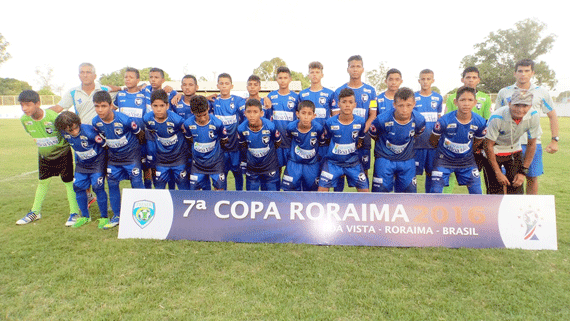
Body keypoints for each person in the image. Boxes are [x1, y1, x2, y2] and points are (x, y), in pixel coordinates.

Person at [495, 59, 559, 195]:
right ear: (515, 73)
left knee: (531, 177)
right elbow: (497, 117)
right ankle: (507, 211)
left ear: (532, 73)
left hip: (532, 143)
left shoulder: (541, 92)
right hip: (508, 144)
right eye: (520, 71)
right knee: (507, 179)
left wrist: (555, 139)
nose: (523, 74)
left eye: (526, 71)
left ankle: (531, 210)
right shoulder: (504, 92)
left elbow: (552, 115)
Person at [16, 90, 80, 226]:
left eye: (28, 104)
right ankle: (35, 212)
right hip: (44, 156)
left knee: (68, 183)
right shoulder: (24, 119)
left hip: (63, 154)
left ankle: (74, 213)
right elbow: (32, 134)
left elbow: (66, 135)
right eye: (22, 105)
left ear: (38, 103)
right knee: (43, 182)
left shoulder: (53, 117)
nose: (24, 108)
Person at [92, 91, 145, 229]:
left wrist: (137, 152)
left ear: (111, 105)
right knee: (112, 184)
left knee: (137, 182)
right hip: (114, 159)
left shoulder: (125, 120)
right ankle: (117, 215)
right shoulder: (96, 122)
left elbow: (140, 134)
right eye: (97, 106)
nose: (100, 110)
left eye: (103, 106)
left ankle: (143, 213)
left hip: (131, 157)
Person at [54, 111, 110, 228]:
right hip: (81, 164)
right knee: (78, 187)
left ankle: (104, 217)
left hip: (97, 164)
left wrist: (106, 164)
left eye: (75, 128)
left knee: (97, 187)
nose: (74, 132)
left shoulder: (90, 132)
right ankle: (85, 216)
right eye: (70, 130)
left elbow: (105, 146)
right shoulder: (62, 132)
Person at [429, 86, 487, 194]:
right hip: (444, 160)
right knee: (435, 191)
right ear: (456, 102)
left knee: (477, 192)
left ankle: (476, 211)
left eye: (470, 100)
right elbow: (433, 140)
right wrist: (444, 151)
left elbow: (478, 142)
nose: (466, 103)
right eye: (462, 100)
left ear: (475, 102)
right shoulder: (444, 121)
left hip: (466, 161)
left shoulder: (480, 122)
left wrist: (465, 151)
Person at [444, 66, 492, 193]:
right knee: (450, 173)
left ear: (478, 80)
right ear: (462, 79)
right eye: (468, 77)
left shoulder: (485, 98)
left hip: (475, 143)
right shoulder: (452, 98)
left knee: (474, 173)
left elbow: (487, 120)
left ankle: (476, 204)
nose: (471, 80)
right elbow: (446, 121)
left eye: (474, 77)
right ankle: (444, 202)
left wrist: (480, 143)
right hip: (454, 143)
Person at [368, 87, 426, 193]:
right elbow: (373, 135)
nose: (404, 110)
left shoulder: (419, 120)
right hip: (384, 159)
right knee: (380, 193)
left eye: (408, 105)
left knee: (409, 193)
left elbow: (417, 134)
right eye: (400, 105)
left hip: (407, 159)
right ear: (394, 105)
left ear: (414, 104)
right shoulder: (381, 120)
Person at [484, 89, 541, 194]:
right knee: (495, 192)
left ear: (530, 106)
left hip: (514, 151)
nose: (520, 110)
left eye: (525, 106)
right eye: (517, 105)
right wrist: (498, 172)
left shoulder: (533, 116)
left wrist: (523, 171)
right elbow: (488, 146)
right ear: (509, 104)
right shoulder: (497, 117)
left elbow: (532, 143)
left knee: (516, 189)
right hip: (494, 151)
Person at [332, 55, 377, 181]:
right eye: (352, 66)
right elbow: (335, 115)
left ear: (363, 69)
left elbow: (373, 114)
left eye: (358, 66)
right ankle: (339, 199)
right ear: (348, 69)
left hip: (364, 136)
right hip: (343, 137)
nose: (355, 69)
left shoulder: (371, 91)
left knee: (363, 171)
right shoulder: (339, 91)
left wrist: (362, 131)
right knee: (339, 172)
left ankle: (365, 200)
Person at [318, 88, 369, 192]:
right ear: (338, 104)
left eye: (350, 102)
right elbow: (328, 140)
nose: (347, 105)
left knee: (365, 192)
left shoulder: (360, 121)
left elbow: (360, 139)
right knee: (321, 191)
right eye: (344, 102)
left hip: (353, 163)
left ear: (355, 104)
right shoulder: (330, 122)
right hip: (333, 163)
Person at [114, 67, 154, 189]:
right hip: (126, 139)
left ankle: (148, 192)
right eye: (126, 77)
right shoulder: (120, 95)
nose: (128, 79)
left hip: (142, 138)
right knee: (134, 170)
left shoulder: (144, 94)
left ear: (138, 80)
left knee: (146, 168)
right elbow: (112, 109)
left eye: (131, 77)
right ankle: (136, 196)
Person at [143, 89, 190, 190]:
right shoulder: (147, 119)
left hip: (178, 159)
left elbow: (187, 135)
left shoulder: (177, 120)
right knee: (159, 188)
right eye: (155, 106)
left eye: (162, 106)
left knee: (183, 188)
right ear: (151, 106)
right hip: (161, 160)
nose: (158, 109)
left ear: (167, 106)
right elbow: (151, 135)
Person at [183, 95, 229, 190]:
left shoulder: (217, 123)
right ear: (192, 112)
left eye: (204, 114)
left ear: (208, 108)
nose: (202, 118)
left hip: (216, 163)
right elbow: (189, 139)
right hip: (198, 164)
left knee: (220, 190)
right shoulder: (188, 124)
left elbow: (224, 140)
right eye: (199, 116)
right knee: (195, 192)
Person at [209, 73, 246, 191]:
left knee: (238, 173)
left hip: (235, 146)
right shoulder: (213, 101)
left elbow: (246, 116)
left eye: (227, 83)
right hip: (220, 148)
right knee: (221, 176)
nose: (224, 86)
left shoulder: (238, 101)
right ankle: (222, 199)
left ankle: (239, 196)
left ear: (232, 86)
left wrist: (240, 132)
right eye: (221, 83)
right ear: (217, 85)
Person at [50, 62, 119, 124]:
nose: (85, 75)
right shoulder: (73, 92)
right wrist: (42, 112)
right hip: (84, 133)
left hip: (102, 132)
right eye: (82, 72)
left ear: (94, 76)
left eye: (88, 72)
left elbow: (124, 91)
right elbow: (58, 108)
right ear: (79, 76)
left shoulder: (104, 89)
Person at [238, 99, 282, 191]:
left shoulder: (270, 126)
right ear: (245, 113)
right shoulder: (241, 128)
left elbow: (277, 143)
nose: (252, 115)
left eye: (255, 112)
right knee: (252, 198)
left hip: (270, 166)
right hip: (252, 167)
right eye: (249, 112)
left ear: (261, 113)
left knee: (272, 197)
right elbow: (243, 146)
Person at [282, 100, 324, 191]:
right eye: (303, 113)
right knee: (288, 190)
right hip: (294, 163)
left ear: (314, 116)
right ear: (297, 114)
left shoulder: (318, 128)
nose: (306, 117)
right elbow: (289, 139)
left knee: (312, 190)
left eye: (309, 114)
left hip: (311, 164)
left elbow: (321, 142)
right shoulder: (291, 127)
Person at [413, 69, 443, 193]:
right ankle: (410, 200)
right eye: (423, 79)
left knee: (431, 174)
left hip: (433, 145)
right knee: (412, 174)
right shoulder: (413, 97)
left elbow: (439, 118)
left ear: (433, 80)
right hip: (416, 144)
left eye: (428, 79)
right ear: (419, 80)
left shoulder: (438, 98)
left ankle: (429, 200)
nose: (425, 82)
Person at [298, 61, 334, 163]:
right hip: (307, 137)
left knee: (324, 166)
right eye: (312, 72)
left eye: (317, 72)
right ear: (308, 75)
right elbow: (299, 116)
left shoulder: (330, 93)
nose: (314, 74)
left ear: (322, 75)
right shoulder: (302, 94)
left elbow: (335, 116)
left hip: (324, 137)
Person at [266, 66, 299, 169]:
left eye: (285, 78)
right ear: (276, 79)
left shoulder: (296, 97)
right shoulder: (270, 96)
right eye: (280, 78)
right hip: (276, 140)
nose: (283, 80)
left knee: (292, 169)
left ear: (290, 79)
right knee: (276, 169)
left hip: (291, 140)